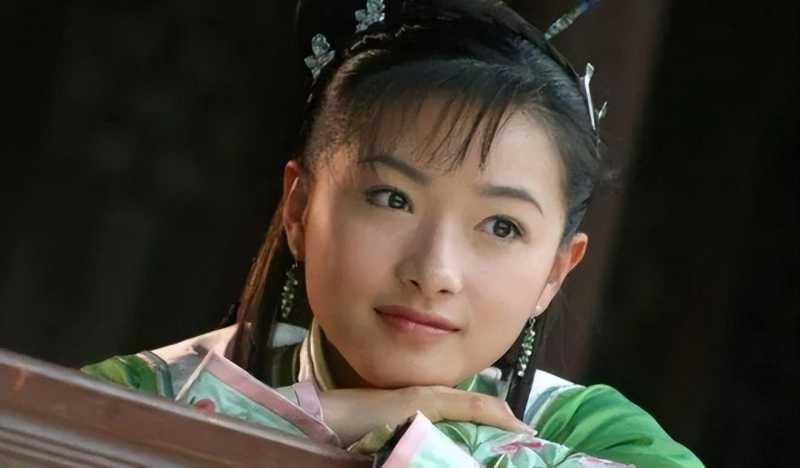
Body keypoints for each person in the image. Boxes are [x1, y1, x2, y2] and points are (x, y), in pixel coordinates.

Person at [83, 0, 704, 466]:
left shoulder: (605, 441)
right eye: (392, 198)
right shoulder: (130, 398)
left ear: (555, 271)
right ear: (299, 209)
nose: (434, 272)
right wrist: (322, 421)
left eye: (501, 226)